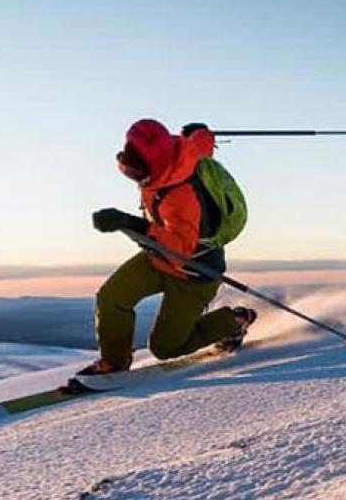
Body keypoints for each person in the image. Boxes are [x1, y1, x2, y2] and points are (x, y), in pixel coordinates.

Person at [80, 119, 255, 378]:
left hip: (194, 271)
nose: (135, 178)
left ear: (156, 163)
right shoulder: (181, 151)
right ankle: (114, 363)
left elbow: (179, 251)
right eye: (127, 169)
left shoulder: (181, 196)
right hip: (157, 255)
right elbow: (197, 146)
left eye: (136, 171)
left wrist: (128, 222)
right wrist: (199, 133)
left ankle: (234, 322)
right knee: (111, 298)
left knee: (165, 347)